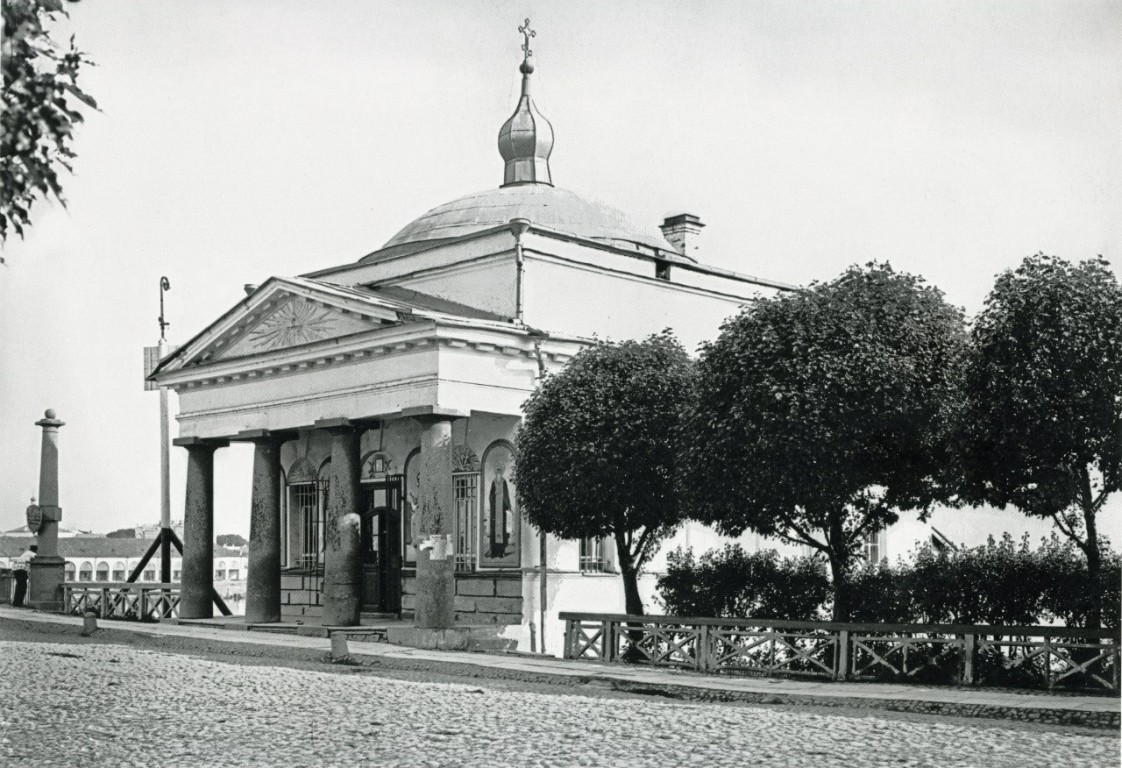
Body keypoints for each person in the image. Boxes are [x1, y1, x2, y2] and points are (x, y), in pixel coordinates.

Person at [12, 543, 36, 607]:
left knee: (19, 586)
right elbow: (38, 560)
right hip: (22, 569)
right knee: (22, 587)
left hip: (16, 569)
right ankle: (18, 603)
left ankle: (17, 602)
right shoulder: (33, 554)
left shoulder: (26, 553)